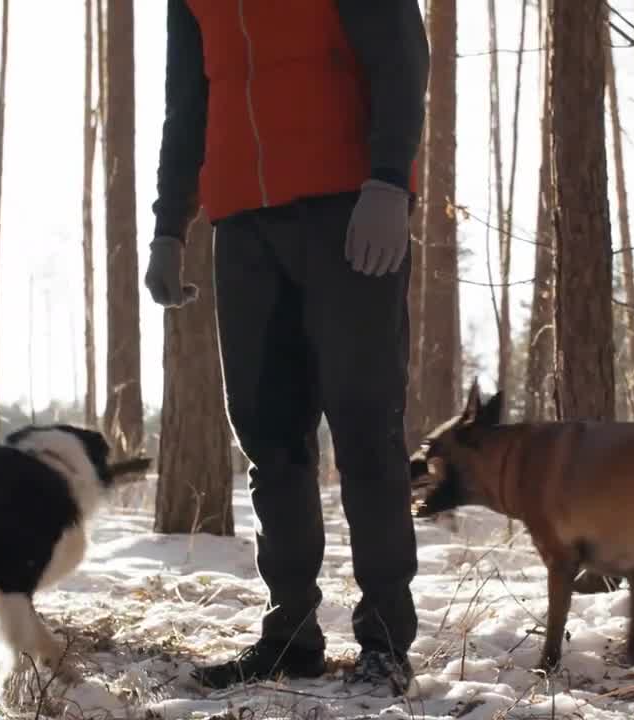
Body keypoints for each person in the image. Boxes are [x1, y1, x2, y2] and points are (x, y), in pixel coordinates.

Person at [144, 0, 429, 695]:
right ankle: (289, 633)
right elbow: (188, 103)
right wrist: (169, 226)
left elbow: (400, 54)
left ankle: (387, 641)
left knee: (365, 426)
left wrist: (390, 181)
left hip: (348, 206)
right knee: (269, 438)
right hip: (243, 224)